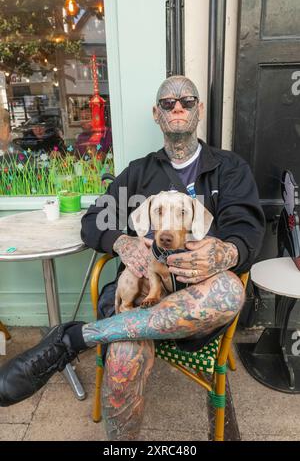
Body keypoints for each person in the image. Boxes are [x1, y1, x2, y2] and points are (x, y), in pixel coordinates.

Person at [0, 76, 265, 440]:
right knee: (123, 358)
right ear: (156, 114)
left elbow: (247, 231)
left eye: (187, 101)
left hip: (195, 304)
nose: (177, 107)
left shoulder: (229, 169)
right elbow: (93, 222)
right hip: (140, 294)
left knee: (231, 291)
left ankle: (74, 338)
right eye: (168, 102)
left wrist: (225, 252)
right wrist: (122, 241)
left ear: (199, 110)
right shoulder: (139, 173)